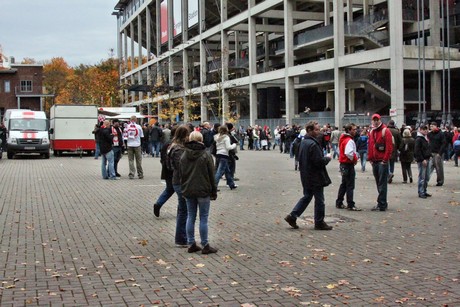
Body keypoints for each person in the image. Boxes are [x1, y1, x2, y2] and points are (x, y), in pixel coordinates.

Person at [284, 121, 333, 231]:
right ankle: (319, 222)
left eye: (318, 129)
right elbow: (319, 162)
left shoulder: (303, 142)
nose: (318, 131)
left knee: (307, 196)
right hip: (315, 176)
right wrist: (327, 158)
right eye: (316, 129)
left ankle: (293, 216)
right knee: (319, 199)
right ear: (309, 130)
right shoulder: (312, 144)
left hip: (306, 175)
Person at [180, 131, 218, 254]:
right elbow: (212, 175)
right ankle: (205, 244)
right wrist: (213, 190)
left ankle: (191, 243)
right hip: (203, 189)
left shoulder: (184, 155)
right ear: (201, 140)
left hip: (189, 189)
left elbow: (181, 174)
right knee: (203, 217)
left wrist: (183, 187)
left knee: (191, 216)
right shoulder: (206, 155)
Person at [168, 125, 191, 246]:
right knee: (184, 211)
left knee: (182, 210)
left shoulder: (175, 147)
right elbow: (181, 166)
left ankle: (182, 236)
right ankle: (181, 238)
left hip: (179, 181)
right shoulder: (178, 149)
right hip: (180, 181)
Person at [367, 113, 393, 211]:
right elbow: (370, 145)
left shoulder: (385, 131)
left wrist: (385, 160)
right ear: (372, 121)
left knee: (382, 183)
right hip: (375, 161)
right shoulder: (372, 131)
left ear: (380, 120)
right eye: (374, 120)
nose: (375, 121)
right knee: (379, 183)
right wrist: (370, 159)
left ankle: (382, 204)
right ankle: (382, 203)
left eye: (377, 119)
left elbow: (389, 147)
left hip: (382, 161)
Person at [335, 123, 361, 211]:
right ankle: (350, 203)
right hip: (348, 164)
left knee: (344, 184)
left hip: (343, 164)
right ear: (349, 130)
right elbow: (349, 153)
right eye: (353, 129)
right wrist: (355, 159)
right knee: (350, 184)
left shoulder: (343, 139)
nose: (355, 131)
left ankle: (339, 201)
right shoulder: (349, 140)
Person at [153, 126, 177, 218]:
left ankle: (159, 203)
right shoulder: (176, 145)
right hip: (174, 171)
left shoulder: (166, 144)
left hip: (167, 170)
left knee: (169, 189)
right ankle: (181, 211)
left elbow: (162, 158)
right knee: (180, 191)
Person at [214, 125, 237, 190]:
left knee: (227, 171)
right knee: (220, 172)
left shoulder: (217, 137)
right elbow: (228, 147)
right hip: (224, 155)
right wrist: (234, 145)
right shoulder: (226, 137)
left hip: (218, 154)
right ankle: (214, 186)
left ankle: (231, 184)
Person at [414, 125, 432, 199]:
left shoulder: (425, 138)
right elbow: (417, 151)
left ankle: (424, 190)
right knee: (422, 177)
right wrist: (422, 159)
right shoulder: (419, 139)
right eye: (424, 129)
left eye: (426, 129)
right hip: (422, 160)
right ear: (420, 130)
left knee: (426, 176)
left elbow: (427, 149)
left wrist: (429, 155)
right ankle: (421, 191)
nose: (426, 131)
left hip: (427, 158)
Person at [428, 122, 446, 186]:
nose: (431, 127)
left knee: (439, 168)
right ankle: (426, 180)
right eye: (430, 126)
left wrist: (440, 153)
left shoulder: (441, 134)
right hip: (431, 153)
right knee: (429, 167)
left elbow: (444, 144)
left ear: (436, 126)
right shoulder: (430, 134)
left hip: (438, 153)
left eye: (432, 126)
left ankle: (440, 181)